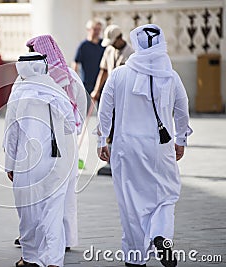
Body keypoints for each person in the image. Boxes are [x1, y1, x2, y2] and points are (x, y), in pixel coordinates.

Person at [96, 24, 193, 267]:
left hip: (125, 150)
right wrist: (180, 139)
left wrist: (101, 140)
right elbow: (182, 109)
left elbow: (105, 111)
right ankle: (161, 235)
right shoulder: (170, 76)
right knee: (166, 195)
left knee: (131, 205)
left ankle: (135, 257)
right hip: (160, 148)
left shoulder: (119, 74)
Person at [4, 52, 75, 267]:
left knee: (29, 211)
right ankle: (53, 259)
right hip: (58, 160)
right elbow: (71, 125)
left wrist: (10, 164)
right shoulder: (56, 90)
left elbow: (12, 133)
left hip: (28, 162)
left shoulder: (18, 93)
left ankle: (30, 258)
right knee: (53, 211)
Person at [25, 35, 87, 251]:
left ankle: (40, 235)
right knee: (67, 189)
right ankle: (66, 238)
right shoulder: (70, 76)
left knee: (38, 188)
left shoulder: (28, 79)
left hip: (37, 139)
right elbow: (81, 102)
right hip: (67, 138)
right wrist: (75, 128)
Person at [90, 24, 134, 176]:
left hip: (125, 98)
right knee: (108, 125)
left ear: (120, 38)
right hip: (110, 96)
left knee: (122, 127)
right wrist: (96, 90)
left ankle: (124, 160)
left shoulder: (131, 53)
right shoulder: (109, 50)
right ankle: (110, 161)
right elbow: (103, 71)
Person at [72, 18, 105, 114]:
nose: (97, 32)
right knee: (84, 112)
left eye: (99, 29)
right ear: (89, 30)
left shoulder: (103, 45)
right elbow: (76, 63)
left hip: (102, 83)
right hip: (86, 84)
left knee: (102, 112)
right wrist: (75, 82)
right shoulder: (83, 46)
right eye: (95, 29)